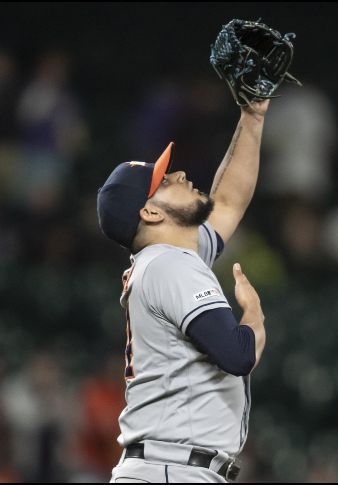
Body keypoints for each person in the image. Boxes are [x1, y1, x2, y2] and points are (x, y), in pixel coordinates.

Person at [96, 99, 270, 483]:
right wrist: (254, 315)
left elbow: (227, 202)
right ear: (151, 213)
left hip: (166, 467)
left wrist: (252, 116)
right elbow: (237, 353)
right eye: (164, 181)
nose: (179, 175)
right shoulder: (169, 265)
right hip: (171, 469)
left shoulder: (165, 260)